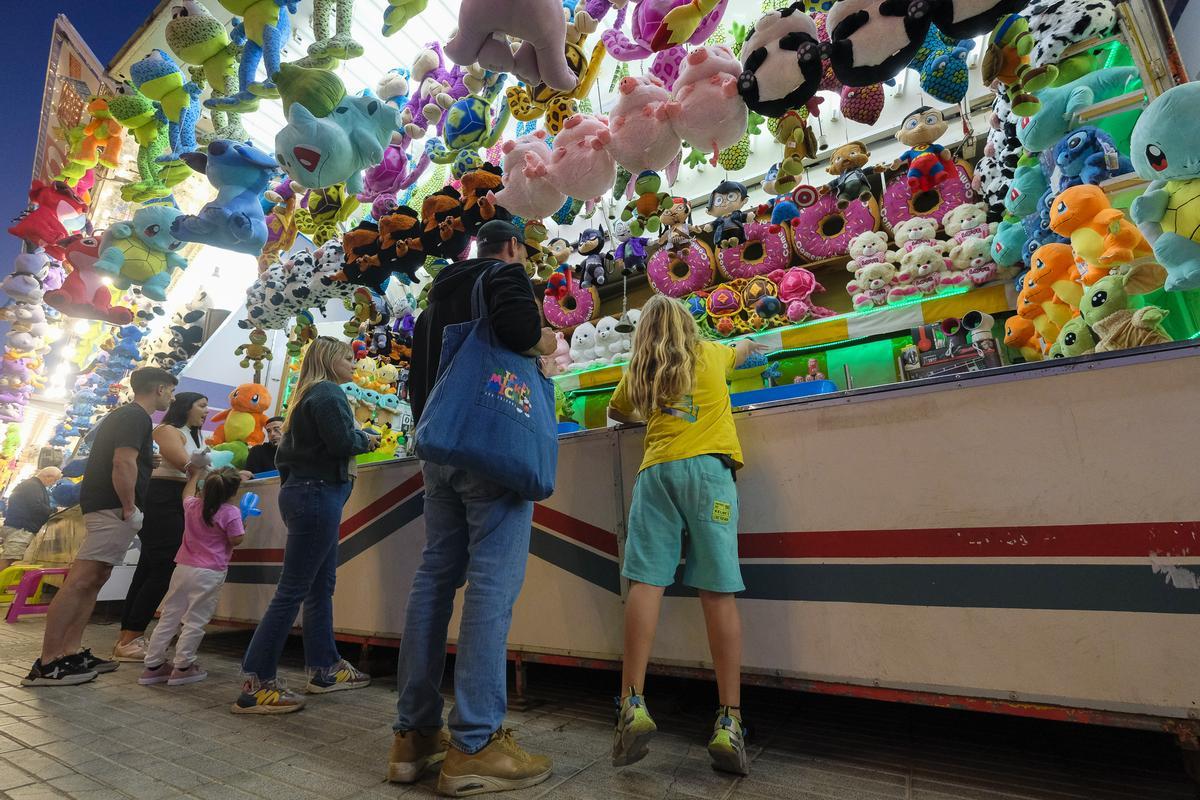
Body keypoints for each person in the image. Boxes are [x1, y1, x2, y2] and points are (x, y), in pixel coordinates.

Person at [390, 219, 558, 795]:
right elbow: (519, 330)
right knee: (491, 585)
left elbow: (418, 382)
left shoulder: (438, 294)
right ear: (512, 246)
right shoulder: (505, 274)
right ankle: (477, 742)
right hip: (494, 450)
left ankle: (413, 736)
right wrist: (549, 340)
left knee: (434, 578)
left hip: (441, 451)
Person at [605, 295, 765, 776]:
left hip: (657, 476)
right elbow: (751, 347)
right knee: (717, 592)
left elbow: (616, 414)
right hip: (710, 477)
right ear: (689, 326)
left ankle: (633, 702)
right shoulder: (712, 353)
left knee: (646, 584)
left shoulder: (641, 371)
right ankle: (729, 720)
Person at [233, 336, 378, 714]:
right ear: (330, 359)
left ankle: (324, 667)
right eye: (347, 357)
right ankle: (256, 681)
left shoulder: (307, 396)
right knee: (295, 588)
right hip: (317, 494)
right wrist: (366, 438)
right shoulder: (329, 393)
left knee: (317, 585)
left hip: (308, 494)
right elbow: (341, 440)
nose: (353, 364)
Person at [22, 367, 177, 687]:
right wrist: (130, 505)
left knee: (95, 578)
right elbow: (122, 462)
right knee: (82, 579)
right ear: (160, 389)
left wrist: (149, 463)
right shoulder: (136, 417)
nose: (172, 397)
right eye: (171, 391)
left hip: (110, 506)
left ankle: (69, 652)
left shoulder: (129, 418)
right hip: (113, 507)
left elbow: (125, 459)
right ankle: (49, 661)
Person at [112, 392, 209, 662]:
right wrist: (211, 471)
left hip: (177, 500)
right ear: (185, 407)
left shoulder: (195, 436)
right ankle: (130, 638)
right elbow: (185, 465)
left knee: (149, 567)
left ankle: (129, 637)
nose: (206, 410)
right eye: (201, 405)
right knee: (164, 565)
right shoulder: (168, 430)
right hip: (162, 499)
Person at [140, 466, 245, 687]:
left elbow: (186, 494)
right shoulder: (230, 512)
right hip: (210, 572)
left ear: (205, 488)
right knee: (195, 620)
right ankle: (183, 667)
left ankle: (153, 666)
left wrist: (195, 474)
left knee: (170, 615)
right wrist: (245, 518)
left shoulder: (193, 506)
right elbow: (236, 540)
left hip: (183, 568)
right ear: (233, 492)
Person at [0, 467, 61, 569]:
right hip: (21, 529)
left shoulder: (32, 485)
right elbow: (36, 506)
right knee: (10, 558)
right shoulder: (33, 486)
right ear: (49, 476)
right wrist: (54, 510)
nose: (53, 483)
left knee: (11, 558)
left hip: (18, 526)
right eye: (55, 480)